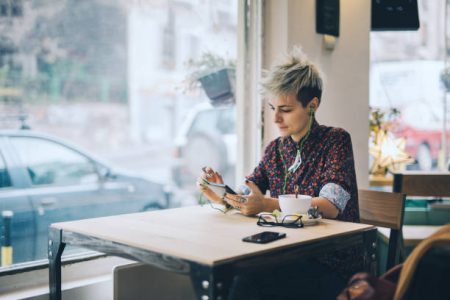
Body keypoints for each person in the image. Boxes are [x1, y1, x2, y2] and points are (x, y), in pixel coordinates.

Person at [197, 48, 360, 299]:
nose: (275, 118)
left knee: (246, 283)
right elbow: (250, 194)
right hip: (286, 253)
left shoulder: (335, 141)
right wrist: (222, 195)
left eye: (285, 109)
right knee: (217, 274)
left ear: (313, 105)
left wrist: (267, 204)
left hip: (330, 264)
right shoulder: (276, 149)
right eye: (273, 107)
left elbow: (330, 206)